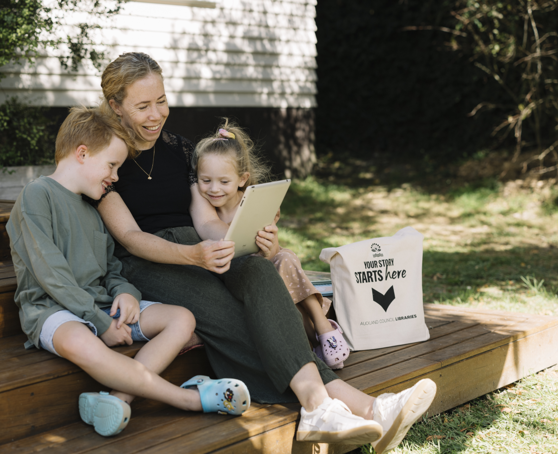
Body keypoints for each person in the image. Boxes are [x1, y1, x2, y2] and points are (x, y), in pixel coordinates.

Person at [96, 52, 436, 453]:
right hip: (149, 262)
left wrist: (236, 239)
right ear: (116, 106)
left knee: (260, 271)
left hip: (199, 245)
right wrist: (193, 256)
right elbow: (131, 237)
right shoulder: (107, 153)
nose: (156, 115)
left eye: (162, 101)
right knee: (227, 312)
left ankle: (334, 408)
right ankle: (353, 405)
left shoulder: (177, 148)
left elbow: (203, 220)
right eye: (142, 106)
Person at [5, 106, 251, 439]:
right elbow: (52, 275)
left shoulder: (92, 208)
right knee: (81, 342)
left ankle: (119, 399)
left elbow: (111, 267)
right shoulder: (37, 195)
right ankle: (190, 399)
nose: (116, 176)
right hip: (50, 309)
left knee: (182, 319)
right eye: (112, 165)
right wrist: (101, 322)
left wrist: (126, 293)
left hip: (102, 304)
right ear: (82, 153)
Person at [192, 120, 349, 369]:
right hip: (236, 275)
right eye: (205, 180)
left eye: (223, 181)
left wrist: (269, 246)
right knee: (285, 278)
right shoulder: (203, 202)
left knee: (285, 256)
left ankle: (321, 325)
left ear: (242, 179)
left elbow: (272, 251)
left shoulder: (252, 202)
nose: (213, 189)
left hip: (267, 266)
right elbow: (209, 229)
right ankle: (322, 336)